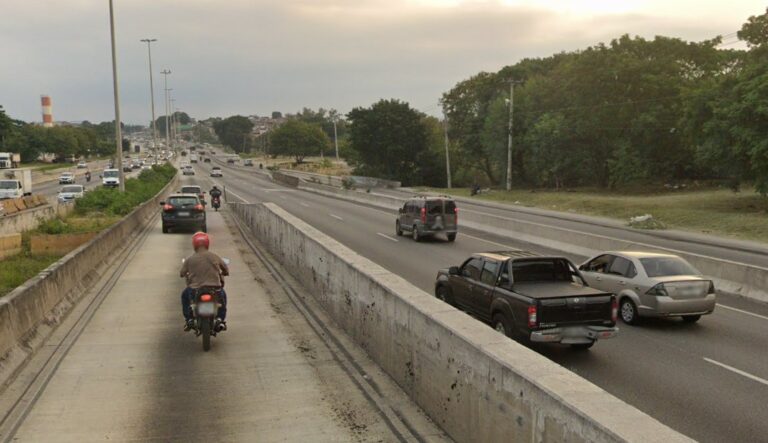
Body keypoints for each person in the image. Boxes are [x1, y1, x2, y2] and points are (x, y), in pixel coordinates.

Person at [179, 232, 229, 332]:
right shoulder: (214, 256)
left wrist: (187, 273)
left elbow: (182, 273)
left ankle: (189, 320)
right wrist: (224, 272)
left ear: (194, 245)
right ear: (207, 244)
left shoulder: (190, 259)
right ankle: (220, 319)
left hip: (195, 289)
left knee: (184, 296)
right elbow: (225, 269)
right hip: (214, 288)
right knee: (223, 299)